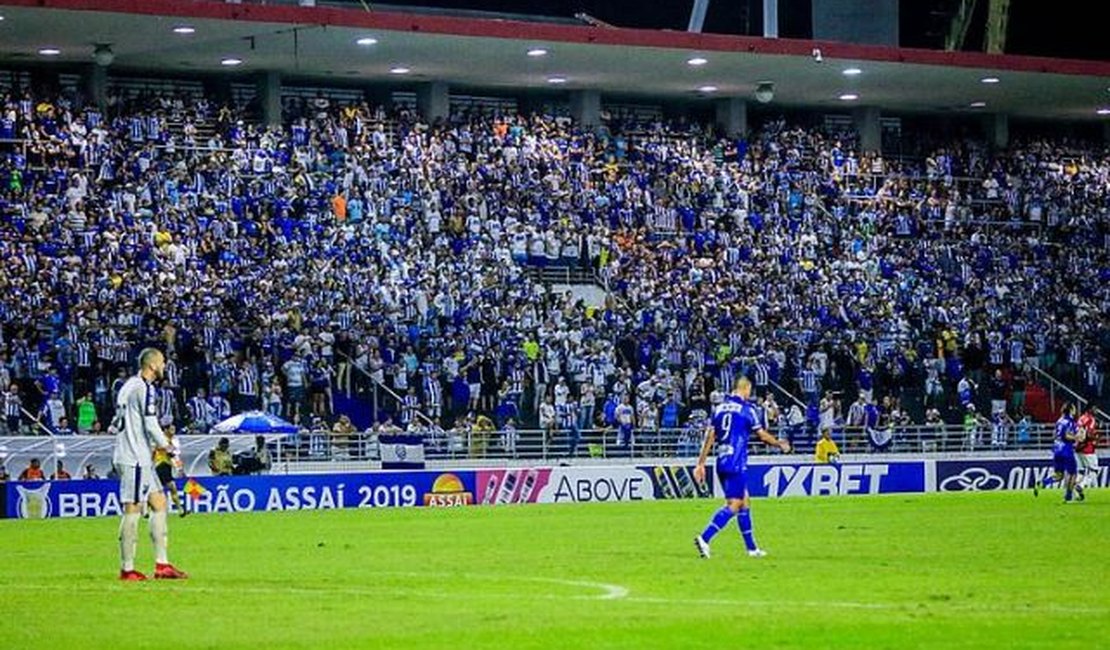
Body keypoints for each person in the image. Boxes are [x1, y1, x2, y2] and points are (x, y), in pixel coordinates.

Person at [110, 348, 188, 581]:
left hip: (139, 455)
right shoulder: (145, 388)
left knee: (159, 502)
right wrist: (169, 447)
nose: (164, 366)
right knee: (132, 509)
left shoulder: (127, 386)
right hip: (133, 457)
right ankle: (127, 568)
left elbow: (118, 422)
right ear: (152, 365)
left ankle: (162, 565)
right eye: (162, 362)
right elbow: (151, 424)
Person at [693, 377, 791, 559]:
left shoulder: (719, 409)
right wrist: (779, 444)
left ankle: (752, 549)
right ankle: (705, 538)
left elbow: (710, 436)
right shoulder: (748, 410)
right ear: (745, 388)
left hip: (721, 461)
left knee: (744, 501)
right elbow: (761, 435)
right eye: (749, 390)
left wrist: (700, 463)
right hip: (736, 461)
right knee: (735, 504)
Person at [1034, 404, 1085, 503]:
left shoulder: (1059, 420)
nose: (1075, 411)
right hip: (1066, 450)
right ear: (1070, 410)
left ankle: (1043, 483)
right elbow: (1066, 435)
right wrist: (1076, 437)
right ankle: (1068, 497)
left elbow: (1055, 434)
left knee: (1059, 475)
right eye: (1074, 408)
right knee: (1073, 474)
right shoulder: (1070, 421)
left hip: (1057, 449)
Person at [153, 426, 187, 517]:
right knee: (170, 487)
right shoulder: (162, 439)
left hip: (167, 466)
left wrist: (180, 468)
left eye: (174, 429)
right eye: (171, 430)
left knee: (169, 488)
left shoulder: (172, 440)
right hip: (160, 465)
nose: (173, 432)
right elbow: (170, 453)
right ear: (165, 430)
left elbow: (174, 455)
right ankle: (180, 509)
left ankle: (180, 510)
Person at [1076, 405, 1100, 490]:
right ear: (1090, 409)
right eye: (1095, 408)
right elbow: (1089, 434)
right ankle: (1081, 486)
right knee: (1094, 470)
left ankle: (1072, 489)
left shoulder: (1081, 418)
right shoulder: (1091, 419)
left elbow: (1079, 432)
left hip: (1078, 448)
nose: (1096, 410)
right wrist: (1095, 437)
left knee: (1081, 471)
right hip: (1088, 448)